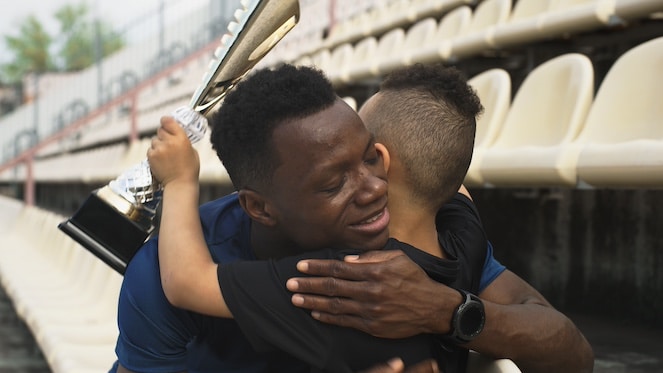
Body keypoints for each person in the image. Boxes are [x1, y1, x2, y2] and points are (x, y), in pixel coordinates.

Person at [149, 64, 487, 372]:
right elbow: (451, 181)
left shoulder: (336, 280)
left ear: (384, 157)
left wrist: (179, 181)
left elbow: (186, 282)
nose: (369, 189)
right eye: (333, 183)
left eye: (368, 157)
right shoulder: (465, 238)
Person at [285, 67, 595, 372]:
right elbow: (577, 356)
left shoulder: (318, 253)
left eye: (357, 143)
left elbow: (572, 352)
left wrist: (444, 309)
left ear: (378, 160)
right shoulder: (458, 237)